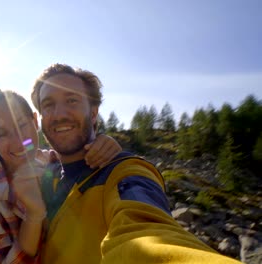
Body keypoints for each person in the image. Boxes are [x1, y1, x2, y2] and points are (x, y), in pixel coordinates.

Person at [31, 63, 241, 263]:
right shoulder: (44, 173)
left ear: (93, 113)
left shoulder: (123, 172)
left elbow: (145, 232)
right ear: (41, 118)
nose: (59, 114)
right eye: (48, 105)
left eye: (72, 100)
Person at [0, 90, 122, 263]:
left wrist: (104, 145)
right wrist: (33, 215)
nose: (18, 142)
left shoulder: (55, 161)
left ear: (35, 121)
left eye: (22, 125)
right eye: (1, 134)